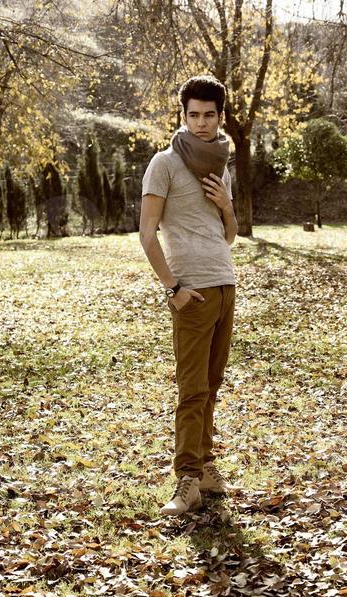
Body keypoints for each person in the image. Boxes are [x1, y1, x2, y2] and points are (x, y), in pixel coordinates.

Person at [139, 74, 238, 517]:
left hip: (225, 282)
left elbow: (229, 235)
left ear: (221, 117)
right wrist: (173, 288)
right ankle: (186, 478)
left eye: (209, 115)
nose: (201, 123)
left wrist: (226, 206)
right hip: (191, 291)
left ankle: (207, 466)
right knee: (191, 389)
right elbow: (146, 234)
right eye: (193, 115)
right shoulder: (164, 163)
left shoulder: (221, 166)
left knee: (212, 385)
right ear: (183, 115)